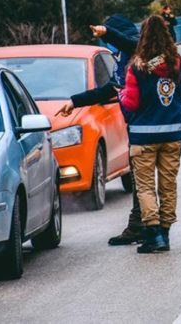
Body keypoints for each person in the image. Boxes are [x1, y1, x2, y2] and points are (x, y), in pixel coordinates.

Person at [55, 14, 144, 246]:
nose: (111, 47)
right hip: (135, 127)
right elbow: (109, 90)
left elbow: (131, 43)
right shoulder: (123, 56)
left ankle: (152, 229)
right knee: (141, 181)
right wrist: (75, 101)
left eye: (111, 42)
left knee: (145, 181)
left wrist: (107, 32)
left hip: (147, 127)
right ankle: (141, 227)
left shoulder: (140, 50)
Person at [119, 15, 181, 254]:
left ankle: (154, 234)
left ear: (143, 37)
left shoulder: (137, 67)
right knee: (168, 185)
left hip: (143, 136)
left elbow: (132, 103)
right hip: (172, 134)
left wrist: (121, 97)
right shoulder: (178, 63)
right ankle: (166, 234)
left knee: (145, 187)